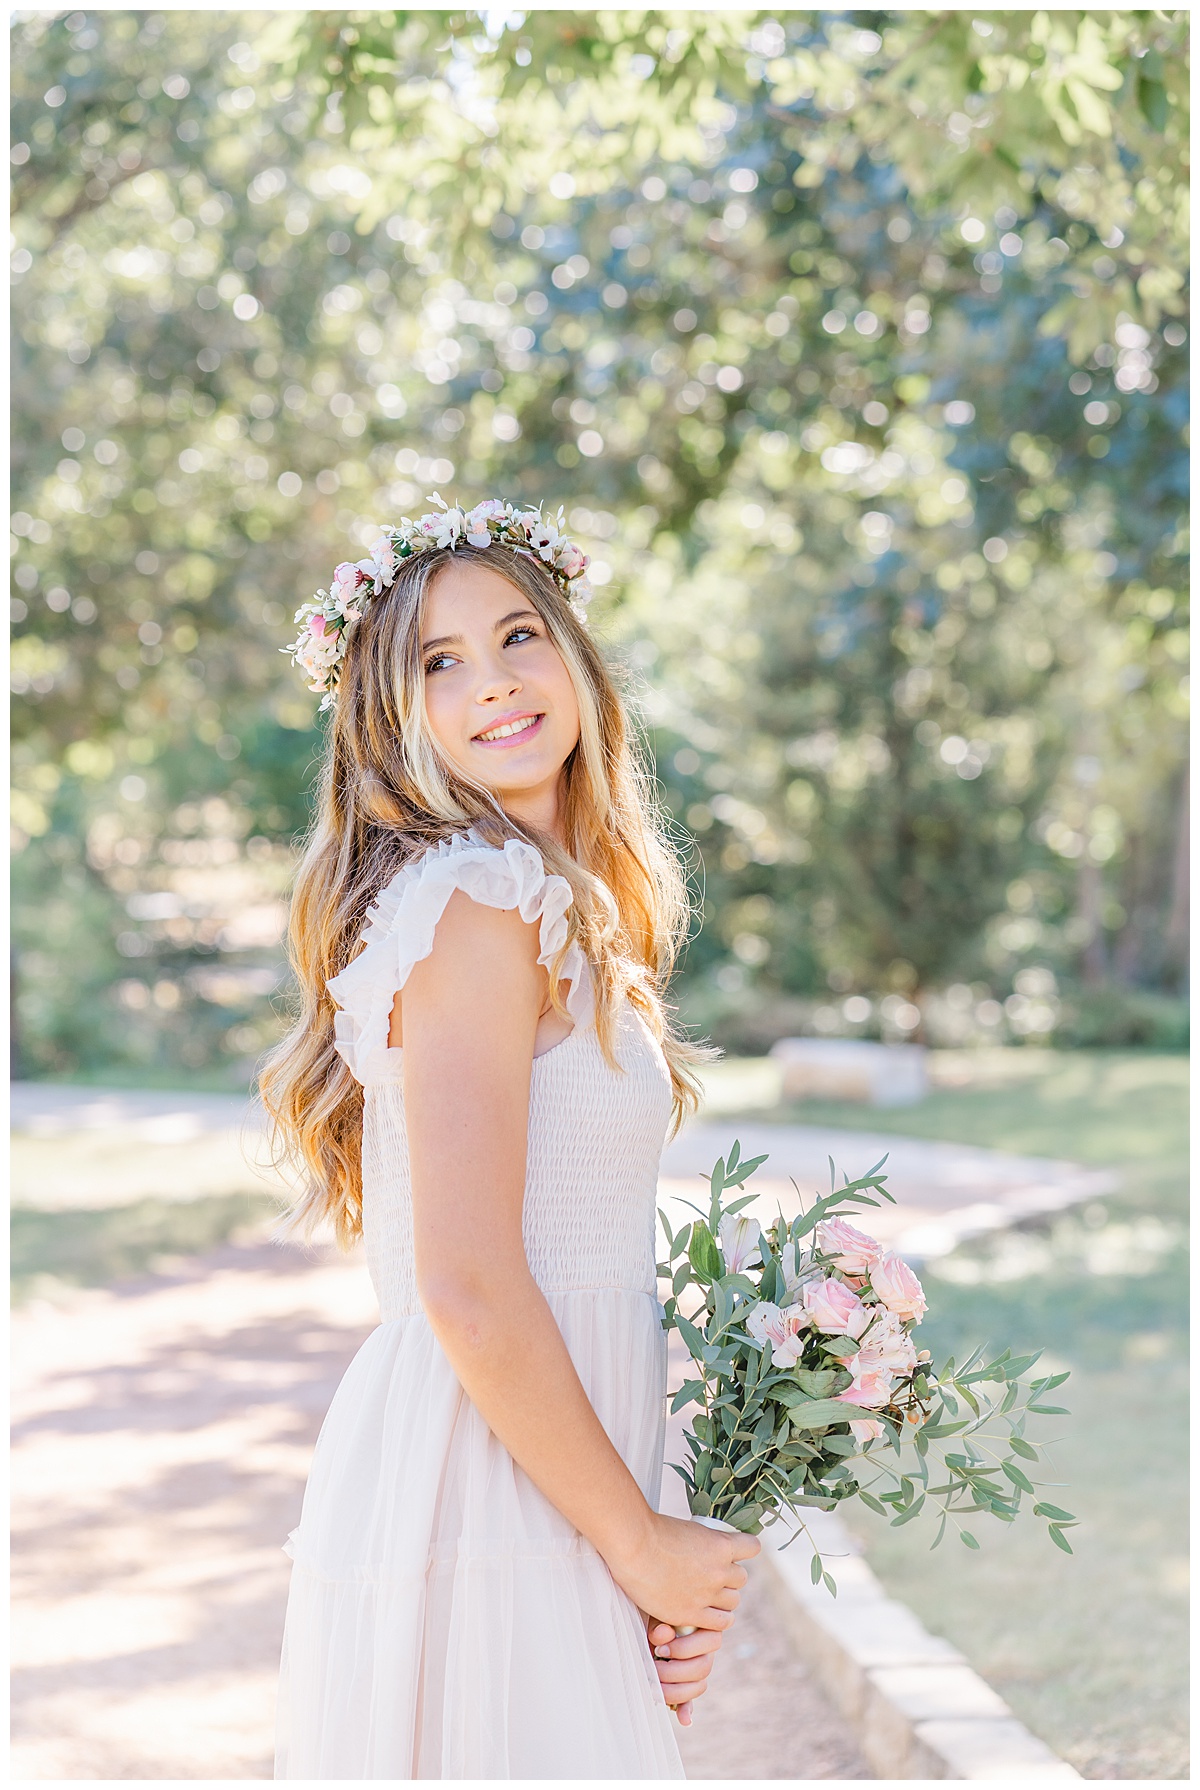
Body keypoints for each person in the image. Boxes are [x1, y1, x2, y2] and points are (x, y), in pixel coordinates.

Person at [259, 497, 759, 1779]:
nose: (494, 682)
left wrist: (646, 1537)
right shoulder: (477, 902)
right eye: (440, 661)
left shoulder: (547, 901)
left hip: (558, 1471)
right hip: (488, 1482)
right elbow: (469, 1282)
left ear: (576, 657)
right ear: (391, 714)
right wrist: (638, 1545)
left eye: (519, 634)